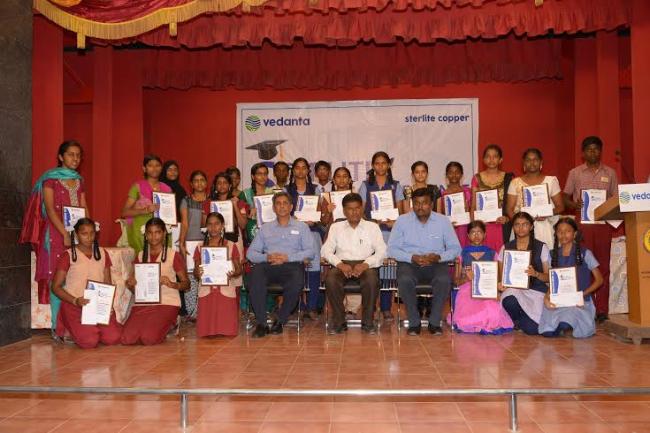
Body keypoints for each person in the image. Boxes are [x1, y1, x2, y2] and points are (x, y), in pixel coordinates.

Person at [20, 140, 89, 330]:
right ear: (61, 157)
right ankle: (58, 328)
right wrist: (64, 233)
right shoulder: (50, 179)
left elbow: (84, 207)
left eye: (78, 155)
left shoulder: (79, 181)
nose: (75, 158)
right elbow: (50, 210)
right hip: (56, 234)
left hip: (78, 234)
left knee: (75, 275)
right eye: (71, 154)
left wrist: (89, 230)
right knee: (58, 278)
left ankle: (74, 325)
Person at [388, 188, 462, 335]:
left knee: (443, 280)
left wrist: (439, 257)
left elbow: (456, 249)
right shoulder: (402, 221)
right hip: (410, 263)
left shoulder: (443, 221)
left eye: (424, 203)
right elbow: (391, 249)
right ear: (412, 204)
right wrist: (411, 257)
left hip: (436, 263)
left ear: (432, 204)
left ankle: (434, 322)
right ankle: (414, 322)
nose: (420, 207)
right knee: (404, 279)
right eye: (416, 203)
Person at [563, 136, 618, 323]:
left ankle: (602, 309)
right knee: (583, 266)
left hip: (603, 225)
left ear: (601, 151)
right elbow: (565, 198)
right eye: (589, 149)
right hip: (582, 226)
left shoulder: (610, 173)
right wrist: (574, 205)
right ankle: (586, 305)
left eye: (596, 149)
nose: (592, 152)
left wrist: (608, 204)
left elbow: (616, 199)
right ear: (583, 153)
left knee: (602, 267)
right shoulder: (575, 173)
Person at [246, 192, 315, 338]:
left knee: (297, 280)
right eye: (278, 203)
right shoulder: (265, 228)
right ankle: (262, 323)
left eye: (285, 203)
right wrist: (266, 257)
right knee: (255, 275)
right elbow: (250, 253)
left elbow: (310, 252)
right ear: (273, 207)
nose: (282, 206)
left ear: (291, 207)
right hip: (269, 264)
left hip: (291, 265)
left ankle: (280, 321)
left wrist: (288, 257)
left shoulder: (302, 227)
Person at [51, 218, 122, 349]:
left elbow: (107, 283)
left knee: (113, 338)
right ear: (76, 234)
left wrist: (107, 305)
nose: (89, 237)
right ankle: (69, 327)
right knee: (89, 341)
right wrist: (75, 301)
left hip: (97, 306)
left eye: (92, 233)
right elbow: (55, 287)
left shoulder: (102, 253)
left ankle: (91, 327)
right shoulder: (68, 255)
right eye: (84, 233)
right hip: (74, 306)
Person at [321, 193, 386, 334]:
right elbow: (325, 250)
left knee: (371, 280)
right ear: (344, 211)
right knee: (331, 280)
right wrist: (339, 264)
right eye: (350, 209)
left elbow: (382, 251)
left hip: (366, 265)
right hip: (342, 265)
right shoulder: (336, 227)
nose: (354, 212)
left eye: (357, 208)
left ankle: (368, 322)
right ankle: (339, 322)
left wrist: (366, 264)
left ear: (362, 209)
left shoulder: (372, 227)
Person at [122, 218, 190, 345]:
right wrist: (130, 284)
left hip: (167, 302)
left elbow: (187, 284)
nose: (154, 236)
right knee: (127, 339)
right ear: (146, 235)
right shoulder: (141, 255)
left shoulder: (173, 255)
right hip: (144, 303)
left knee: (148, 338)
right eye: (150, 233)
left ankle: (172, 323)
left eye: (157, 232)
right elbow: (135, 290)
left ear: (164, 234)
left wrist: (171, 284)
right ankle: (160, 325)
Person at [359, 151, 405, 321]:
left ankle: (386, 307)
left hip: (389, 234)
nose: (380, 166)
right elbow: (360, 211)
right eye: (377, 163)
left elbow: (401, 212)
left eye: (383, 163)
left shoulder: (396, 186)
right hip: (370, 234)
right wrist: (371, 222)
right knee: (371, 271)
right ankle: (370, 307)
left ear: (388, 165)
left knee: (387, 272)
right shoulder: (365, 185)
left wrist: (395, 222)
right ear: (372, 166)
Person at [539, 217, 602, 338]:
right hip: (560, 300)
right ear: (556, 234)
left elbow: (599, 280)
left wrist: (582, 294)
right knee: (547, 333)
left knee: (564, 323)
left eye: (567, 231)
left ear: (575, 234)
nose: (563, 235)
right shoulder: (552, 254)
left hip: (579, 303)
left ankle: (569, 325)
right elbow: (553, 281)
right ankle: (563, 326)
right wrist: (547, 297)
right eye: (560, 231)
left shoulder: (585, 253)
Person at [449, 221, 513, 334]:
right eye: (473, 232)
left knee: (492, 312)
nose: (476, 235)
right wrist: (466, 279)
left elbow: (497, 279)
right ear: (468, 235)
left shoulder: (492, 253)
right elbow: (456, 281)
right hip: (467, 289)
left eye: (479, 232)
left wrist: (498, 290)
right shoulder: (461, 254)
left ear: (485, 234)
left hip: (487, 290)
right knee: (467, 318)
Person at [498, 212, 551, 335]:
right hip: (515, 291)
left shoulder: (541, 247)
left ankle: (522, 322)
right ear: (513, 227)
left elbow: (548, 277)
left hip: (536, 292)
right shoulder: (505, 247)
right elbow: (501, 278)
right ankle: (517, 321)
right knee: (509, 300)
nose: (520, 228)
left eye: (525, 224)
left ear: (531, 226)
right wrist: (500, 285)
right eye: (517, 224)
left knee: (532, 329)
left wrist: (536, 274)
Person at [285, 157, 323, 320]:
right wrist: (295, 220)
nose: (300, 170)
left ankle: (312, 307)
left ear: (308, 170)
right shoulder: (286, 190)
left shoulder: (315, 189)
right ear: (293, 171)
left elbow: (320, 212)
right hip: (293, 234)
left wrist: (316, 218)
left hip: (312, 232)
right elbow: (282, 212)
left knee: (314, 270)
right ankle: (299, 305)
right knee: (296, 269)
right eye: (297, 167)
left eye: (304, 167)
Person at [193, 212, 243, 337]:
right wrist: (198, 272)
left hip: (225, 289)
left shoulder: (231, 245)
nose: (213, 227)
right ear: (206, 227)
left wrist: (233, 273)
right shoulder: (200, 247)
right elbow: (195, 272)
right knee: (206, 334)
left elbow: (239, 270)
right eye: (210, 224)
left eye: (216, 224)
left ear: (222, 226)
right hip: (206, 290)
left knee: (227, 332)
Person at [505, 148, 564, 248]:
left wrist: (546, 213)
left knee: (544, 255)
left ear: (541, 162)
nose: (532, 163)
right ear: (524, 163)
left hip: (544, 228)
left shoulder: (551, 181)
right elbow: (509, 209)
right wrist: (521, 223)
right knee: (521, 256)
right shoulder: (515, 183)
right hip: (521, 231)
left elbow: (560, 207)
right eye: (528, 160)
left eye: (535, 159)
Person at [121, 154, 172, 254]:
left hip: (161, 232)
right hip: (141, 233)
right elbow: (124, 212)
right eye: (150, 165)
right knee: (144, 259)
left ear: (161, 168)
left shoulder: (167, 189)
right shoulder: (137, 187)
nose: (154, 168)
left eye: (157, 165)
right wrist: (146, 210)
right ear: (144, 168)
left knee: (162, 259)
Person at [178, 170, 210, 319]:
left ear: (206, 183)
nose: (199, 183)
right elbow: (184, 223)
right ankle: (193, 313)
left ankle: (206, 311)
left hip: (209, 243)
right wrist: (181, 242)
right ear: (191, 184)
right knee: (192, 277)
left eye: (202, 180)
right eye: (196, 180)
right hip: (191, 242)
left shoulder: (211, 200)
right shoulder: (186, 200)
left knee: (207, 276)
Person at [471, 144, 514, 251]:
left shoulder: (509, 178)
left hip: (502, 226)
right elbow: (473, 205)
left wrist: (507, 218)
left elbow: (513, 206)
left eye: (495, 156)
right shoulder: (477, 178)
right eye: (488, 156)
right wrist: (474, 225)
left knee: (501, 257)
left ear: (501, 159)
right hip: (482, 226)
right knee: (483, 257)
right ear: (483, 160)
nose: (491, 159)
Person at [440, 161, 472, 247]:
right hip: (449, 229)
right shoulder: (442, 195)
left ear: (461, 175)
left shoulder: (468, 192)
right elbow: (440, 215)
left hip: (465, 229)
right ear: (446, 175)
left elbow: (474, 212)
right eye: (451, 172)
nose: (454, 175)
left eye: (457, 172)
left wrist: (468, 210)